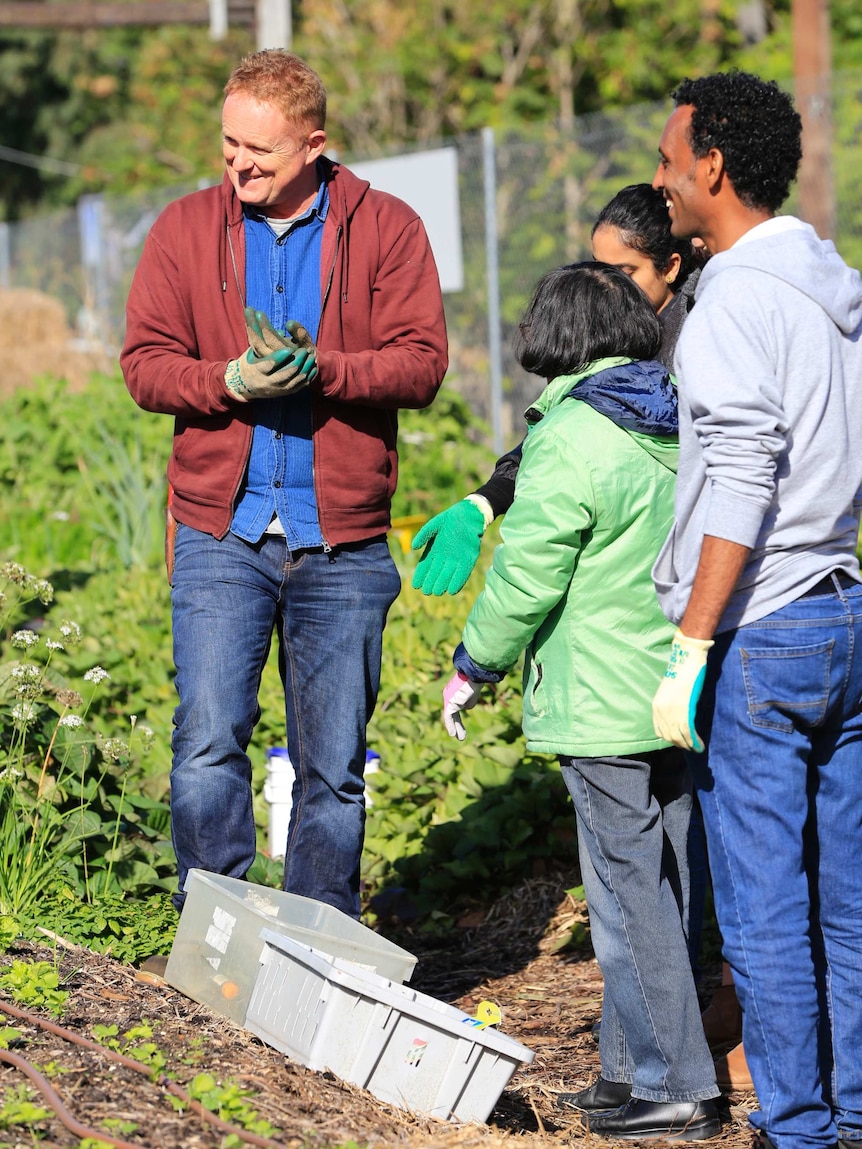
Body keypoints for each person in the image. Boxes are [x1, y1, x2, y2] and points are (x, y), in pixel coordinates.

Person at [120, 49, 448, 921]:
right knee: (205, 749)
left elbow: (423, 363)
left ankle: (317, 943)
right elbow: (145, 366)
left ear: (314, 144)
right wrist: (226, 381)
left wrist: (323, 372)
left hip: (340, 537)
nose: (239, 165)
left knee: (333, 769)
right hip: (220, 530)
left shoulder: (387, 228)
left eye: (259, 151)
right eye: (229, 145)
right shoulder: (184, 229)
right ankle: (219, 939)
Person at [441, 261, 721, 1141]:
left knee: (623, 893)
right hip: (675, 688)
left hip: (598, 700)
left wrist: (473, 663)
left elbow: (527, 575)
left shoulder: (568, 436)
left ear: (556, 337)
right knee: (663, 885)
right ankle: (625, 1067)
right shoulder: (679, 418)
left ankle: (676, 1084)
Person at [650, 71, 862, 1149]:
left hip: (764, 628)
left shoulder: (733, 299)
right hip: (840, 608)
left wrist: (690, 644)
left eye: (666, 157)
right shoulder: (832, 285)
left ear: (712, 168)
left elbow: (737, 477)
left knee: (765, 907)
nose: (659, 179)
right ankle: (852, 1114)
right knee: (845, 896)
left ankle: (799, 1129)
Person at [410, 183, 704, 597]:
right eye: (600, 269)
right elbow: (558, 429)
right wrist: (484, 502)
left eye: (625, 273)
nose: (608, 286)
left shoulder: (697, 335)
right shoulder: (608, 333)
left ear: (671, 267)